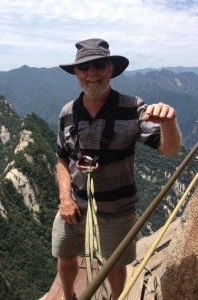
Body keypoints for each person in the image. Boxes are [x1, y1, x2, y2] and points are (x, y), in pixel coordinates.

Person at [52, 38, 181, 300]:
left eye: (98, 65)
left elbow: (169, 150)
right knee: (64, 255)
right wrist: (65, 199)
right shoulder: (68, 112)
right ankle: (68, 298)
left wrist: (169, 123)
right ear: (76, 73)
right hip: (75, 205)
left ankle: (115, 298)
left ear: (110, 68)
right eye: (84, 68)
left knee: (114, 263)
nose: (91, 73)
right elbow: (62, 160)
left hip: (117, 209)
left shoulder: (132, 108)